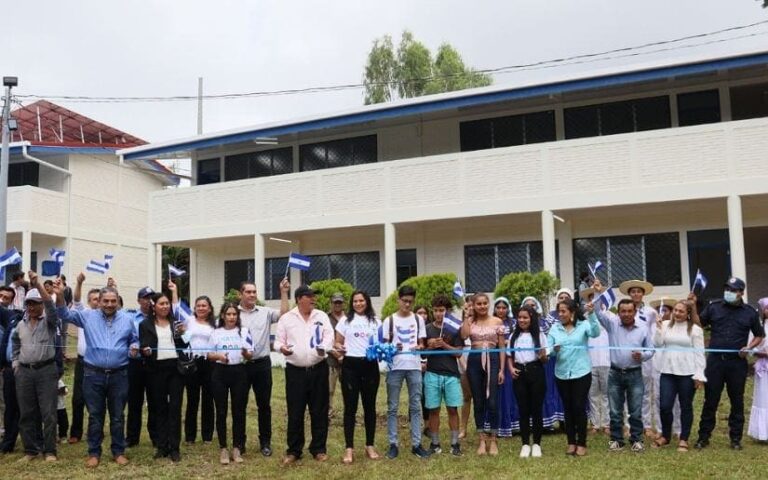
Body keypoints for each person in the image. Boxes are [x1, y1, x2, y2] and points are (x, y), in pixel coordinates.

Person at [55, 276, 139, 468]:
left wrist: (135, 346)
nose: (109, 304)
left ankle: (118, 451)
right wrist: (59, 295)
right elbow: (63, 313)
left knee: (117, 416)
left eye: (113, 301)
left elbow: (134, 340)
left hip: (119, 375)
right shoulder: (87, 316)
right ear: (99, 302)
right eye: (106, 301)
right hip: (93, 375)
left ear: (118, 301)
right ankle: (94, 452)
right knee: (95, 415)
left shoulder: (127, 319)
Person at [693, 277, 765, 450]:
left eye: (733, 290)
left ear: (741, 292)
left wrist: (749, 347)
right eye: (727, 289)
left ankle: (735, 439)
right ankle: (703, 437)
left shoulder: (749, 312)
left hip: (737, 364)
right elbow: (698, 324)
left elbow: (759, 335)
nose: (729, 293)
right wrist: (692, 307)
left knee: (737, 401)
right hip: (716, 362)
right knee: (710, 400)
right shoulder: (714, 307)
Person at [274, 286, 334, 465]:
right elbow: (278, 341)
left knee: (319, 411)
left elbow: (329, 337)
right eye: (310, 296)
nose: (314, 299)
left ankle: (319, 449)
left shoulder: (321, 316)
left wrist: (325, 347)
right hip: (295, 372)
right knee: (295, 411)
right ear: (300, 298)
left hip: (318, 369)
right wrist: (281, 348)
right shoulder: (287, 318)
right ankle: (294, 450)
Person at [593, 298, 654, 452]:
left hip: (635, 374)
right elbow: (597, 312)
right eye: (623, 311)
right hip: (615, 373)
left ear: (635, 311)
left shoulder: (643, 328)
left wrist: (643, 355)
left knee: (635, 410)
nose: (626, 314)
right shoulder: (612, 324)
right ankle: (617, 440)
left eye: (629, 311)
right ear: (618, 312)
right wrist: (599, 292)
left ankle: (636, 440)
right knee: (615, 410)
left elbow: (651, 349)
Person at [238, 279, 289, 457]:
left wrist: (283, 292)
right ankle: (239, 443)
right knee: (239, 405)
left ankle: (265, 442)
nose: (252, 295)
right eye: (248, 292)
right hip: (240, 366)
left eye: (254, 292)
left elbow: (283, 314)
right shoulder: (232, 314)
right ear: (240, 294)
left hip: (262, 365)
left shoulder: (265, 312)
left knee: (264, 405)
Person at [11, 272, 59, 461]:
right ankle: (31, 450)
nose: (31, 307)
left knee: (48, 413)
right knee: (26, 413)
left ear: (41, 305)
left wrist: (37, 285)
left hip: (46, 371)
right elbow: (14, 345)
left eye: (35, 303)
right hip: (24, 373)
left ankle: (49, 451)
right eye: (29, 304)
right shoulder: (20, 326)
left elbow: (51, 306)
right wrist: (16, 364)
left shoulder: (49, 322)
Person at [139, 290, 189, 462]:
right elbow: (144, 346)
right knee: (159, 408)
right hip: (155, 370)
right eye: (162, 303)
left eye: (167, 303)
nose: (165, 306)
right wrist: (144, 351)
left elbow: (185, 344)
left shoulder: (176, 323)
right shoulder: (145, 324)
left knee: (174, 408)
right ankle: (162, 446)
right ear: (154, 306)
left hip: (175, 369)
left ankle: (175, 448)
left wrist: (184, 333)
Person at [382, 285, 430, 459]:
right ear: (398, 300)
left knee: (416, 405)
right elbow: (384, 346)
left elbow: (422, 343)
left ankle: (416, 444)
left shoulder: (418, 319)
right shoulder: (389, 320)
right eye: (404, 301)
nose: (407, 304)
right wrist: (393, 347)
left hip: (414, 366)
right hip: (395, 367)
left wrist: (420, 346)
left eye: (410, 301)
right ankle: (393, 444)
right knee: (393, 407)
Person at [547, 298, 600, 456]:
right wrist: (554, 350)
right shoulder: (554, 328)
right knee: (568, 408)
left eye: (564, 311)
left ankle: (582, 442)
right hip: (562, 374)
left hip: (581, 372)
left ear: (572, 312)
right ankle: (571, 442)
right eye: (559, 312)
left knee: (578, 407)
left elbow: (596, 333)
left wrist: (592, 314)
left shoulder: (583, 325)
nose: (560, 314)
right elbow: (549, 351)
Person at [334, 290, 382, 464]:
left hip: (370, 366)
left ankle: (370, 445)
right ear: (351, 303)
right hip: (350, 367)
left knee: (369, 407)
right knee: (350, 408)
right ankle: (349, 448)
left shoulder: (376, 322)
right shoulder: (345, 321)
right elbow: (337, 341)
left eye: (361, 300)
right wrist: (339, 347)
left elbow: (382, 342)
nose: (358, 304)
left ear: (367, 302)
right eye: (355, 301)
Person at [653, 300, 706, 452]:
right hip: (667, 371)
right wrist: (657, 329)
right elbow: (656, 344)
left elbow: (699, 353)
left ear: (688, 313)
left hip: (687, 373)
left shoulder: (695, 329)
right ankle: (666, 436)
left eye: (681, 311)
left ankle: (684, 438)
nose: (677, 313)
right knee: (665, 406)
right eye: (675, 310)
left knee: (685, 406)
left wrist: (699, 375)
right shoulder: (664, 325)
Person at [207, 302, 253, 465]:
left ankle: (237, 447)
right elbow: (209, 354)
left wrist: (245, 352)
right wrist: (219, 356)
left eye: (234, 314)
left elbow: (249, 356)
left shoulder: (244, 332)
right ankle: (223, 448)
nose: (232, 317)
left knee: (238, 411)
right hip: (220, 373)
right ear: (223, 316)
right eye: (229, 314)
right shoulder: (216, 332)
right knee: (221, 411)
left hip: (239, 373)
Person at [460, 293, 505, 456]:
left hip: (492, 359)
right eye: (478, 304)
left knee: (492, 401)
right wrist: (466, 316)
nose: (482, 306)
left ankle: (493, 439)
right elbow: (464, 336)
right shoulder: (471, 321)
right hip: (474, 359)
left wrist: (501, 369)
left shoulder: (497, 321)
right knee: (478, 401)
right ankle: (481, 439)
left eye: (485, 303)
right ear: (474, 305)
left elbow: (502, 347)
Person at [423, 294, 464, 457]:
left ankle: (455, 444)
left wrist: (444, 345)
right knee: (433, 410)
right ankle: (435, 443)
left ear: (447, 311)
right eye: (436, 310)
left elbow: (459, 353)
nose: (439, 314)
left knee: (452, 409)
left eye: (442, 310)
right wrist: (430, 347)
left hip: (451, 375)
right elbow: (422, 354)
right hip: (432, 373)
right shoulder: (427, 329)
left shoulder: (454, 328)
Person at [508, 305, 549, 458]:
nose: (522, 320)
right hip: (520, 374)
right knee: (523, 409)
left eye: (525, 317)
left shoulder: (539, 335)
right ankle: (525, 444)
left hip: (536, 372)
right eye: (519, 317)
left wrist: (543, 356)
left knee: (536, 409)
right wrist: (511, 369)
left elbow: (545, 359)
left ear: (531, 318)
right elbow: (509, 356)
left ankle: (537, 444)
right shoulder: (513, 336)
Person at [523, 295, 563, 430]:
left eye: (533, 305)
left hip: (545, 362)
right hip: (527, 364)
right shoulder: (520, 324)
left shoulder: (545, 323)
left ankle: (547, 422)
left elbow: (549, 341)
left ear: (537, 307)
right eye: (527, 305)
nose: (530, 307)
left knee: (545, 391)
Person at [68, 274, 99, 444]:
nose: (96, 302)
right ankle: (76, 432)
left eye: (98, 299)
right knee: (78, 398)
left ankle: (95, 431)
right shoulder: (84, 314)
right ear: (89, 301)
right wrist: (79, 282)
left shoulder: (106, 316)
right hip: (83, 362)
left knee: (96, 400)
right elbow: (76, 300)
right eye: (93, 299)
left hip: (98, 363)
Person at [181, 295, 216, 444]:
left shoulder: (216, 324)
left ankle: (207, 436)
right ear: (194, 308)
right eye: (198, 306)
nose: (201, 308)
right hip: (192, 362)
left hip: (209, 362)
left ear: (209, 308)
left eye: (204, 306)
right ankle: (190, 436)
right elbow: (183, 340)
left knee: (208, 399)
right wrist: (183, 332)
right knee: (192, 399)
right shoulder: (188, 321)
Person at [126, 286, 157, 448]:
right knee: (134, 401)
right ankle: (132, 437)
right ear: (139, 300)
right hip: (135, 363)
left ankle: (155, 436)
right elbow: (127, 337)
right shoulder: (130, 317)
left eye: (151, 297)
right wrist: (133, 345)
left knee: (154, 401)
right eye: (145, 298)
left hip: (153, 363)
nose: (149, 301)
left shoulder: (159, 318)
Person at [487, 296, 518, 437]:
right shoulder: (490, 322)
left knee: (509, 392)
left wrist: (505, 343)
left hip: (510, 361)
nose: (501, 310)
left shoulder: (514, 323)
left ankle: (511, 424)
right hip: (493, 360)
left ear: (508, 309)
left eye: (504, 308)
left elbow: (516, 340)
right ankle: (495, 424)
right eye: (498, 307)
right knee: (494, 392)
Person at [581, 288, 610, 435]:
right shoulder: (584, 319)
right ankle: (595, 424)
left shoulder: (609, 317)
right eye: (592, 298)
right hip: (590, 361)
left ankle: (606, 423)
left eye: (598, 298)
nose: (595, 301)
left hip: (606, 360)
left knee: (606, 394)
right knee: (592, 394)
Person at [0, 286, 22, 453]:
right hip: (7, 369)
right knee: (10, 407)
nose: (2, 299)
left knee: (23, 407)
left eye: (6, 297)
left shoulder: (14, 316)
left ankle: (31, 442)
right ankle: (7, 442)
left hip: (23, 370)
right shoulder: (11, 319)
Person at [747, 297, 768, 442]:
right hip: (764, 367)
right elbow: (751, 348)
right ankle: (763, 433)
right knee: (763, 398)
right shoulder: (758, 327)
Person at [327, 292, 346, 419]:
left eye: (340, 302)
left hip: (348, 360)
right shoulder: (326, 318)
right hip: (331, 360)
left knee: (348, 390)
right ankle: (328, 413)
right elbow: (325, 338)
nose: (337, 305)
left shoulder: (350, 318)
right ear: (331, 303)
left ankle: (349, 414)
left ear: (343, 303)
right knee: (329, 390)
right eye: (335, 302)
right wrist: (336, 354)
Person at [458, 296, 473, 439]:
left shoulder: (483, 323)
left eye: (471, 306)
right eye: (467, 307)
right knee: (466, 397)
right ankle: (463, 428)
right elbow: (458, 348)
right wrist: (464, 365)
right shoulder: (459, 326)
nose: (470, 309)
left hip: (481, 362)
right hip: (464, 363)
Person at [57, 378, 68, 444]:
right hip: (50, 407)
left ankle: (63, 436)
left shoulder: (59, 381)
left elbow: (65, 391)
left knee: (63, 423)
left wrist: (58, 391)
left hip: (61, 407)